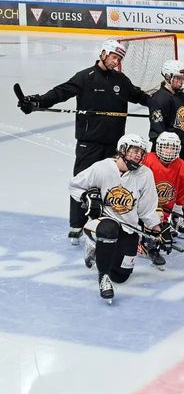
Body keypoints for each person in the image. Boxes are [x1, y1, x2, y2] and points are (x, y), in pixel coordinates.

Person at [17, 39, 150, 245]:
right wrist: (37, 101)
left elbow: (140, 96)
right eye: (114, 57)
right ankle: (77, 224)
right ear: (104, 53)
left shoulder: (121, 80)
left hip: (114, 145)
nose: (116, 61)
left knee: (111, 184)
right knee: (82, 180)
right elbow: (60, 92)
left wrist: (160, 102)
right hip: (89, 143)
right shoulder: (85, 77)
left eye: (119, 58)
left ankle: (106, 220)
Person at [68, 134, 171, 303]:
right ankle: (103, 278)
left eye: (141, 152)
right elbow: (74, 185)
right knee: (109, 231)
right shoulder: (102, 168)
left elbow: (147, 209)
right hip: (101, 223)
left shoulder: (145, 174)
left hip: (128, 227)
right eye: (135, 150)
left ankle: (96, 251)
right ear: (123, 149)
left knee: (121, 275)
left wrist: (157, 230)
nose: (139, 155)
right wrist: (86, 196)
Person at [143, 131, 184, 275]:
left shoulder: (181, 167)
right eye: (166, 147)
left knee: (166, 240)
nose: (169, 151)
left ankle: (153, 237)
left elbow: (182, 195)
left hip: (162, 214)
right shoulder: (147, 160)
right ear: (158, 146)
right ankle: (148, 244)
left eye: (172, 147)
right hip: (141, 208)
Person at [148, 59, 184, 168]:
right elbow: (158, 132)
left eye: (183, 78)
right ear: (167, 77)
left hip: (182, 152)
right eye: (178, 78)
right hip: (166, 155)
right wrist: (168, 153)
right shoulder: (159, 99)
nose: (181, 81)